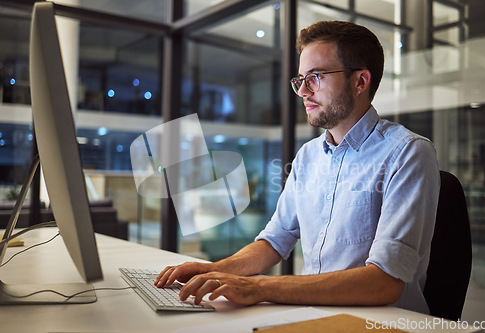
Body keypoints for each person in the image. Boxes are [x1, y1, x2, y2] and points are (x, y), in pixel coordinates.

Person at [155, 20, 440, 314]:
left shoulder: (407, 152)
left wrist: (259, 288)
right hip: (312, 314)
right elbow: (274, 242)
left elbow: (385, 281)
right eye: (300, 79)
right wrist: (213, 271)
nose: (303, 91)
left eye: (315, 77)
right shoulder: (308, 156)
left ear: (360, 81)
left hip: (382, 323)